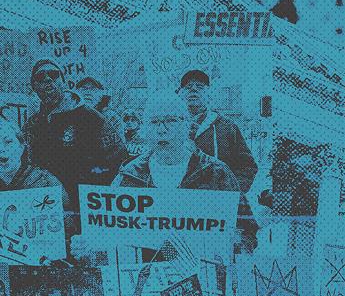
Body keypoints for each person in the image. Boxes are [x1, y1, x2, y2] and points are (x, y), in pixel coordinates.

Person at [24, 60, 126, 202]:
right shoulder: (32, 124)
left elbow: (117, 162)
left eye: (54, 74)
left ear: (63, 82)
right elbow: (26, 164)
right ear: (34, 87)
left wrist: (79, 183)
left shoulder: (91, 118)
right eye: (40, 77)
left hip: (86, 204)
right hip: (45, 204)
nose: (47, 79)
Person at [113, 90, 240, 191]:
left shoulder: (215, 172)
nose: (162, 130)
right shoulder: (129, 174)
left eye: (171, 120)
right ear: (145, 128)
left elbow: (241, 215)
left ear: (186, 125)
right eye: (154, 122)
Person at [180, 69, 258, 192]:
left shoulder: (227, 127)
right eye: (188, 87)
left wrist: (232, 193)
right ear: (180, 94)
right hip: (178, 199)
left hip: (215, 200)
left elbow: (247, 166)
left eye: (200, 87)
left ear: (209, 94)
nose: (193, 89)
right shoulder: (167, 126)